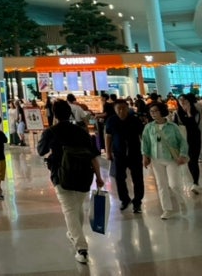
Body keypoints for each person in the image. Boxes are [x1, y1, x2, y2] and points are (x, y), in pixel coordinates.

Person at [38, 100, 104, 265]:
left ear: (54, 114)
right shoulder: (81, 132)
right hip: (84, 174)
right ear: (70, 113)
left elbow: (41, 151)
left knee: (69, 210)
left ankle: (82, 249)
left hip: (61, 175)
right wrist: (99, 177)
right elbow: (93, 156)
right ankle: (74, 234)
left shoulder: (51, 132)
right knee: (76, 207)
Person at [141, 101, 189, 219]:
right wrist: (145, 156)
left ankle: (181, 201)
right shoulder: (149, 127)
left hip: (171, 159)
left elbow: (182, 142)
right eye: (151, 111)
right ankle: (167, 209)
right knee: (161, 184)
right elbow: (145, 142)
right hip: (156, 159)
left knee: (174, 185)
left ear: (162, 111)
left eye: (155, 111)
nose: (153, 113)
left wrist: (182, 155)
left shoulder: (173, 127)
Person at [104, 99, 144, 213]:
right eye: (119, 108)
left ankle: (137, 202)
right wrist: (108, 152)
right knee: (119, 178)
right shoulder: (111, 120)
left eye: (124, 108)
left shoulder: (135, 120)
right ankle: (124, 199)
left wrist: (145, 152)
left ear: (128, 108)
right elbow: (108, 136)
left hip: (135, 153)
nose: (121, 111)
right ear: (115, 109)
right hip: (118, 154)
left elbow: (142, 136)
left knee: (137, 178)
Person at [175, 94, 201, 193]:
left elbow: (194, 126)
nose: (182, 102)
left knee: (194, 160)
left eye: (184, 100)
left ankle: (195, 182)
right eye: (180, 100)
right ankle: (194, 181)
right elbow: (175, 127)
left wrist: (189, 113)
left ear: (188, 101)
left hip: (195, 139)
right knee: (190, 160)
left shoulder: (195, 112)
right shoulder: (178, 113)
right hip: (184, 140)